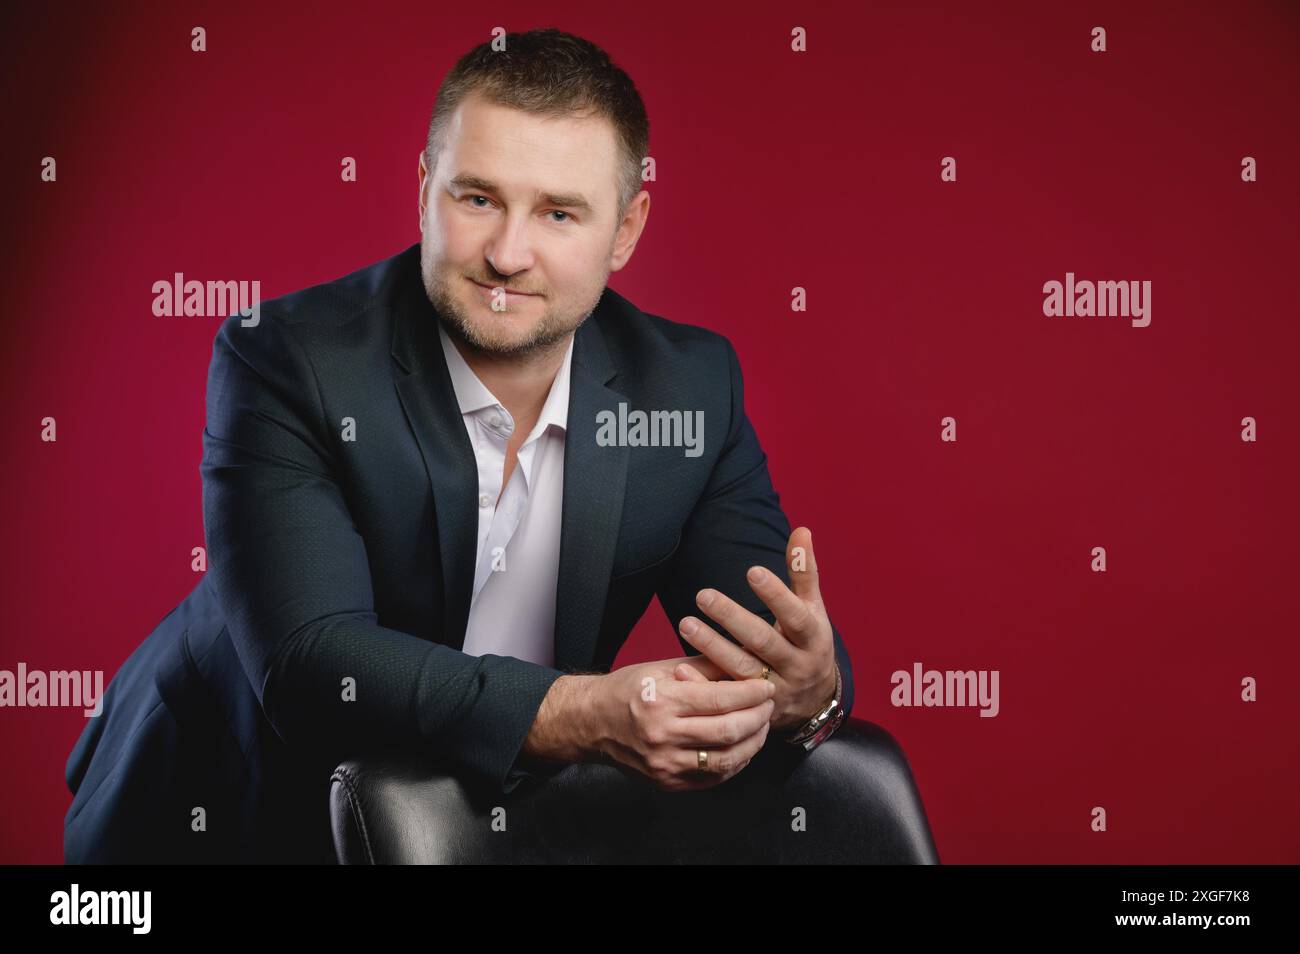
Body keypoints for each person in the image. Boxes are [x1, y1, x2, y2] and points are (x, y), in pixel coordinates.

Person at [63, 27, 855, 864]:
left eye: (558, 212)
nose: (508, 255)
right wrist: (587, 715)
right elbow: (311, 667)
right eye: (477, 198)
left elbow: (772, 645)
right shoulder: (287, 358)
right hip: (221, 810)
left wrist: (810, 689)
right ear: (423, 190)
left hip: (475, 821)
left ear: (626, 230)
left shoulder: (690, 388)